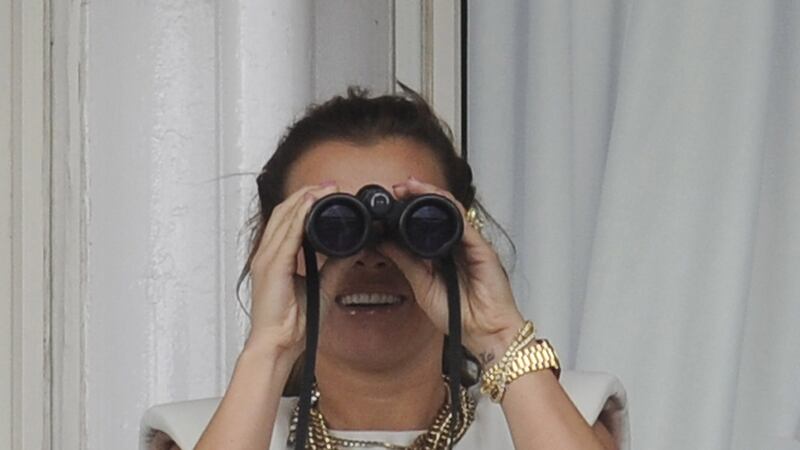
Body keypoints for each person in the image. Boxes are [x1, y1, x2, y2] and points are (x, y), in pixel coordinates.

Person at [140, 88, 629, 450]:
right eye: (330, 227)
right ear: (271, 248)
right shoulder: (191, 435)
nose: (371, 257)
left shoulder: (568, 417)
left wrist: (499, 334)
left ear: (460, 239)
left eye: (406, 229)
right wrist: (271, 348)